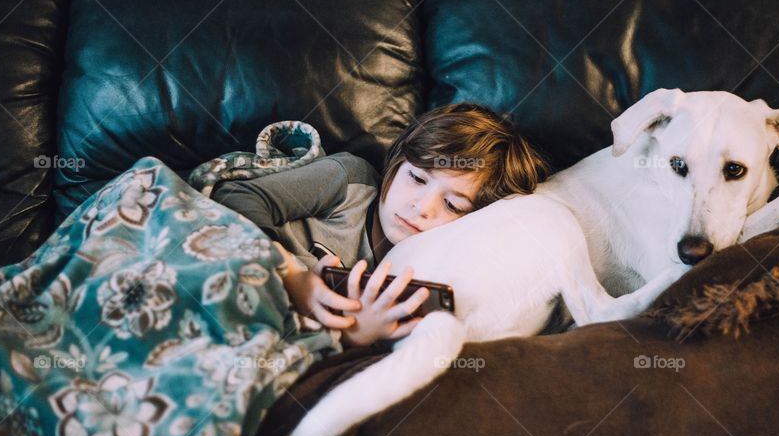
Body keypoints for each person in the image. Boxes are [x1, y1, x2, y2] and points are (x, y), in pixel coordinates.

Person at [212, 103, 550, 348]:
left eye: (452, 205)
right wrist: (291, 273)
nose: (422, 207)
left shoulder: (427, 281)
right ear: (397, 161)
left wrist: (354, 335)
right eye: (417, 178)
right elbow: (236, 196)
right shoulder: (350, 181)